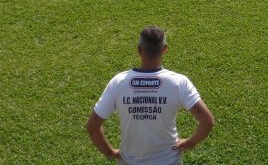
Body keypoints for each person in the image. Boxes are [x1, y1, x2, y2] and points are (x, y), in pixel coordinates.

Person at [87, 26, 215, 164]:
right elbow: (207, 121)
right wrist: (190, 143)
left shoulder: (118, 82)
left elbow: (92, 126)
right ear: (165, 48)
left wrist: (109, 152)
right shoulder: (179, 82)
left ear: (139, 50)